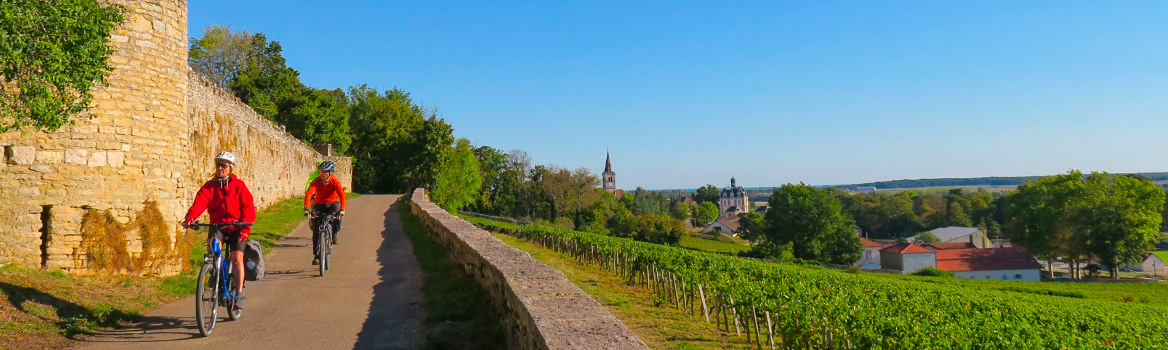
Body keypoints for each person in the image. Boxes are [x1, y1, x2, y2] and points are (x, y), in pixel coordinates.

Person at [182, 151, 256, 310]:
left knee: (237, 259)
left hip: (238, 226)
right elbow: (200, 202)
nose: (221, 168)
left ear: (230, 168)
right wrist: (190, 217)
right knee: (212, 247)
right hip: (218, 225)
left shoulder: (239, 186)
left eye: (224, 165)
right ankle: (215, 274)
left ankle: (239, 293)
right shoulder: (210, 186)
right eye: (218, 165)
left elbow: (248, 208)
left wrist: (245, 227)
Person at [305, 160, 346, 265]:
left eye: (325, 172)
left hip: (333, 203)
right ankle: (317, 254)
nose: (322, 174)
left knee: (338, 218)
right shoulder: (316, 181)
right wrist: (306, 207)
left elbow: (342, 195)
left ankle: (335, 232)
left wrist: (342, 209)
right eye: (321, 171)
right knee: (316, 228)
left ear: (330, 173)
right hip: (320, 204)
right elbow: (310, 193)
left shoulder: (335, 181)